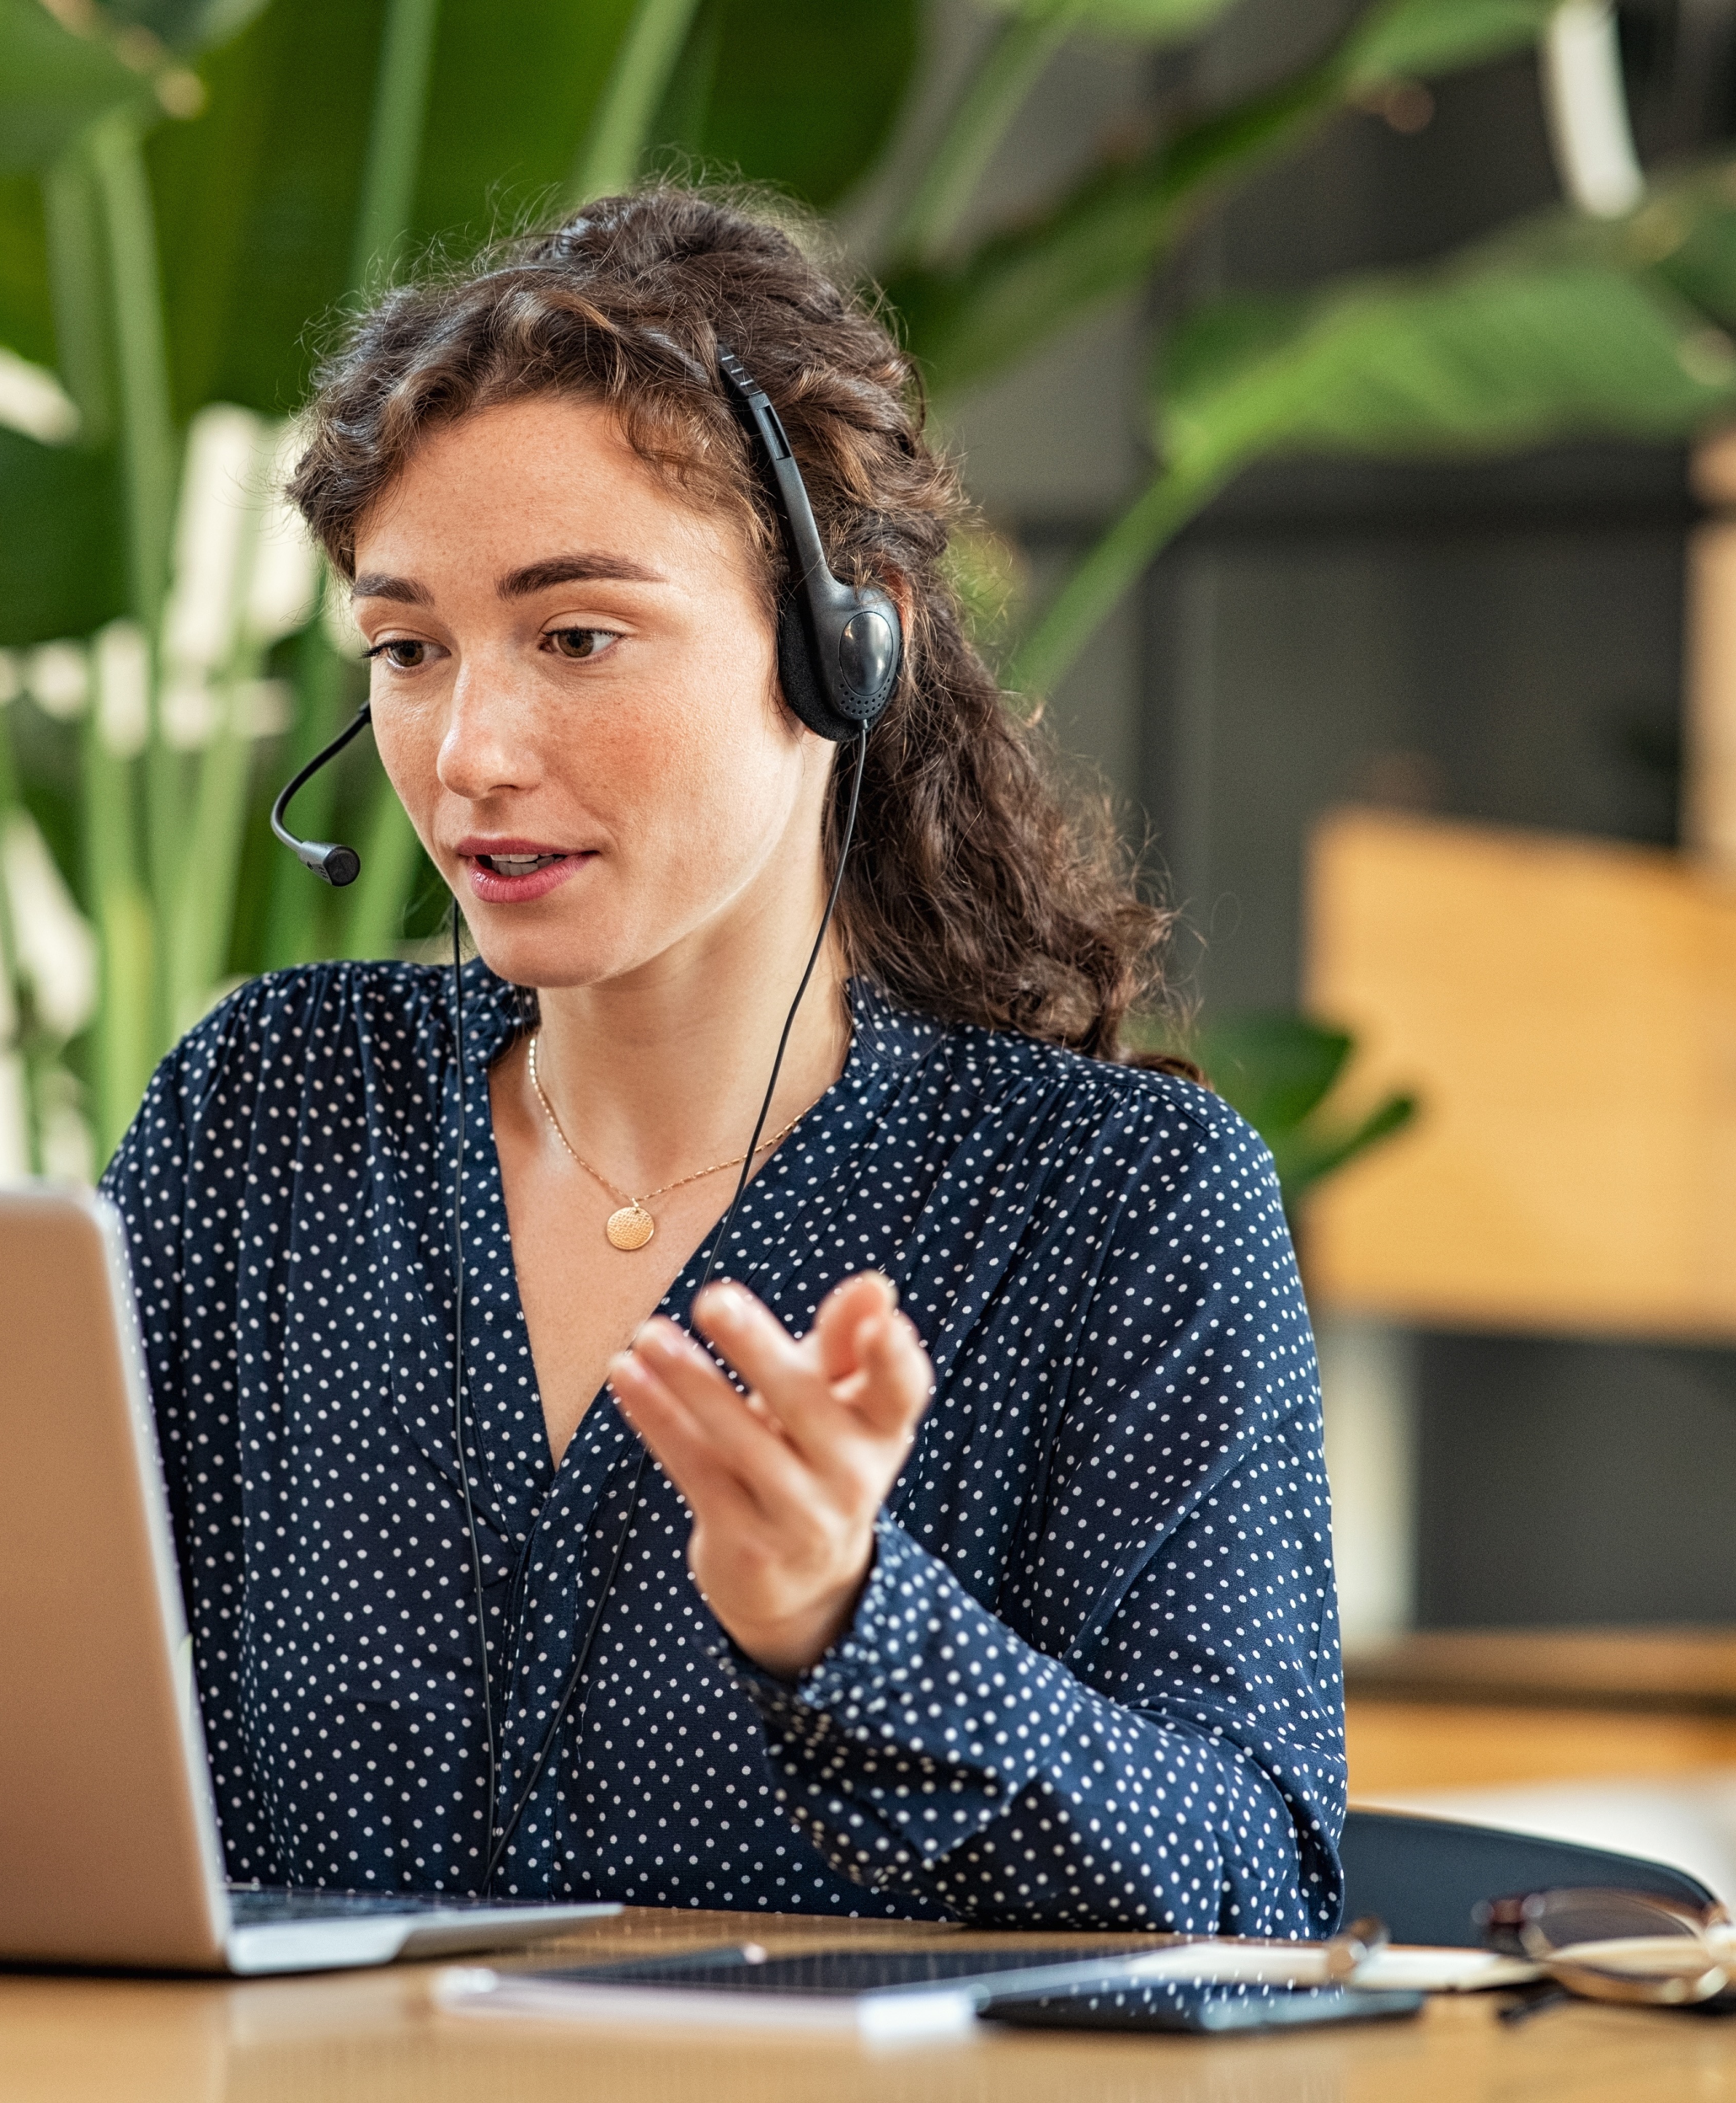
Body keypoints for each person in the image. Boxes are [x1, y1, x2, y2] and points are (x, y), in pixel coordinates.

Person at [100, 186, 1342, 1933]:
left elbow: (1257, 1888)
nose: (468, 751)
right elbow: (25, 1703)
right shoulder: (270, 1111)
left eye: (578, 635)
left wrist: (847, 1626)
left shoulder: (1113, 1205)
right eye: (405, 651)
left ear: (847, 643)